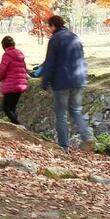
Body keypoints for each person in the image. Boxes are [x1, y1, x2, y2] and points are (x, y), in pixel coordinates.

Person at [41, 15, 93, 153]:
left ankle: (63, 146)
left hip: (62, 82)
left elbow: (50, 63)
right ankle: (86, 136)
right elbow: (81, 58)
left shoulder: (55, 40)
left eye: (49, 26)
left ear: (53, 25)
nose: (49, 28)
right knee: (76, 110)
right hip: (78, 80)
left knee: (61, 114)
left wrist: (45, 83)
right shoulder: (74, 37)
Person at [0, 36, 28, 124]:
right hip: (20, 84)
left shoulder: (7, 54)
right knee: (12, 107)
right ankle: (15, 126)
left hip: (11, 85)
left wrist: (0, 78)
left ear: (4, 45)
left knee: (6, 107)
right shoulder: (19, 53)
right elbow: (24, 68)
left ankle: (17, 125)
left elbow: (2, 70)